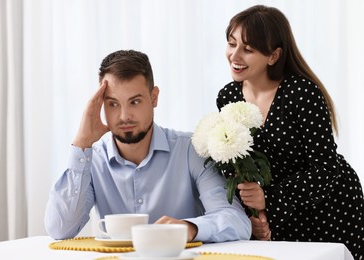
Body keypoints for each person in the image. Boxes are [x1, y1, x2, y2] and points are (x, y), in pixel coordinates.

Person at [44, 49, 251, 243]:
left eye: (134, 102)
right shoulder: (92, 160)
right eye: (113, 104)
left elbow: (237, 222)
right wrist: (82, 142)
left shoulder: (191, 150)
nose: (124, 116)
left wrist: (189, 228)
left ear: (154, 97)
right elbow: (60, 229)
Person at [216, 5, 364, 259]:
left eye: (248, 49)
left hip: (328, 206)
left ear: (273, 56)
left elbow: (326, 169)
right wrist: (255, 215)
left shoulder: (301, 93)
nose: (234, 56)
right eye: (231, 44)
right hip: (276, 214)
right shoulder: (227, 96)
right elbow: (235, 163)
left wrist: (269, 201)